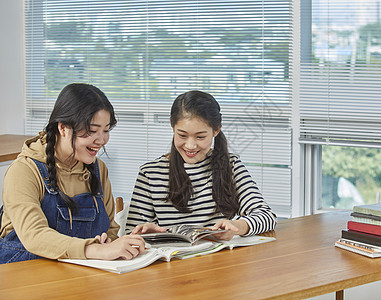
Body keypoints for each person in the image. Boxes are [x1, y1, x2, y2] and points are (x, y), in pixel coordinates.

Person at [0, 83, 145, 264]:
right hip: (26, 278)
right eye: (92, 131)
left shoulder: (99, 169)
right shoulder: (24, 171)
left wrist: (124, 245)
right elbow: (34, 235)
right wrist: (96, 249)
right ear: (63, 128)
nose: (101, 140)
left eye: (106, 130)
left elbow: (111, 231)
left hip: (81, 277)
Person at [126, 90, 277, 240]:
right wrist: (149, 233)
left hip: (220, 260)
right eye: (182, 135)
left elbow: (267, 216)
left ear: (216, 131)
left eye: (200, 137)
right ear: (172, 126)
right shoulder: (150, 173)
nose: (190, 146)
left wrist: (236, 226)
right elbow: (130, 234)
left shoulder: (231, 166)